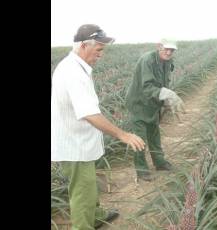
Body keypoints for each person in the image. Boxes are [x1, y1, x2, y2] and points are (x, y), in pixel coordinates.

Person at [51, 24, 146, 230]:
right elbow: (89, 113)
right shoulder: (73, 72)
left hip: (79, 141)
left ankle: (96, 215)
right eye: (99, 49)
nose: (101, 54)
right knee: (82, 191)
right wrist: (123, 135)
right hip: (74, 145)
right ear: (84, 45)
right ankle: (84, 225)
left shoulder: (75, 66)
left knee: (88, 183)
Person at [125, 38, 185, 181]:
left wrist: (165, 101)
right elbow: (147, 87)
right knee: (140, 137)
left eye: (172, 50)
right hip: (139, 102)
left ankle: (160, 162)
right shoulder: (148, 60)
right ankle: (141, 170)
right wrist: (167, 94)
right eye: (166, 49)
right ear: (159, 46)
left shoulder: (167, 62)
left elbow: (163, 83)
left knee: (154, 133)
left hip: (152, 103)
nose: (169, 52)